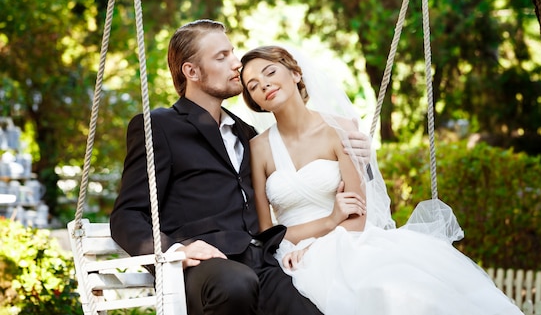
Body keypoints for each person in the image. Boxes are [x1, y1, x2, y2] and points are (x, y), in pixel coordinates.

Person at [110, 20, 371, 315]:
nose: (236, 64)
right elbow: (127, 215)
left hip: (260, 261)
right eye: (222, 57)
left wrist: (361, 155)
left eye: (232, 53)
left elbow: (312, 166)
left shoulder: (247, 135)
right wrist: (176, 252)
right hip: (202, 270)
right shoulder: (159, 126)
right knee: (237, 284)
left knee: (314, 305)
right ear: (191, 72)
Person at [239, 45, 525, 315]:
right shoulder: (258, 148)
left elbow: (357, 219)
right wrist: (327, 222)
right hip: (291, 251)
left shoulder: (340, 129)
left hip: (347, 240)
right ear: (255, 102)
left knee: (396, 291)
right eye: (252, 86)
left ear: (295, 73)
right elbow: (267, 232)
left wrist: (325, 237)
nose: (263, 84)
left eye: (270, 72)